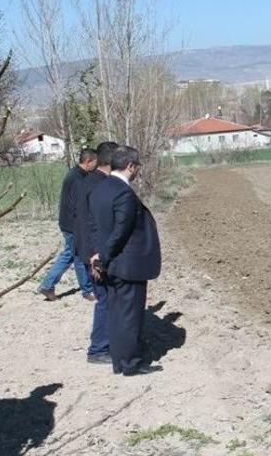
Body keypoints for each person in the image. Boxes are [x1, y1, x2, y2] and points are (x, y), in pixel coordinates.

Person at [89, 146, 162, 376]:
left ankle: (120, 360)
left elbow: (95, 227)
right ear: (130, 167)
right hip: (127, 265)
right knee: (130, 315)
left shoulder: (100, 189)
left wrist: (97, 256)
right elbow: (120, 231)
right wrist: (104, 256)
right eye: (137, 167)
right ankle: (131, 363)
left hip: (111, 264)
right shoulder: (124, 193)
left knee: (116, 312)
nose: (137, 171)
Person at [75, 141, 118, 365]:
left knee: (107, 298)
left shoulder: (91, 181)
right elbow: (92, 224)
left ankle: (107, 343)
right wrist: (95, 256)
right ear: (111, 161)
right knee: (105, 299)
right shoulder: (98, 186)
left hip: (89, 250)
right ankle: (98, 349)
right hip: (94, 254)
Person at [38, 148, 98, 301]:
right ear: (88, 161)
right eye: (95, 162)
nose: (96, 166)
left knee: (69, 254)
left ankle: (48, 285)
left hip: (67, 222)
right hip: (72, 224)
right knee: (77, 256)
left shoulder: (76, 173)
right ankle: (87, 290)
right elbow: (80, 206)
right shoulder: (79, 179)